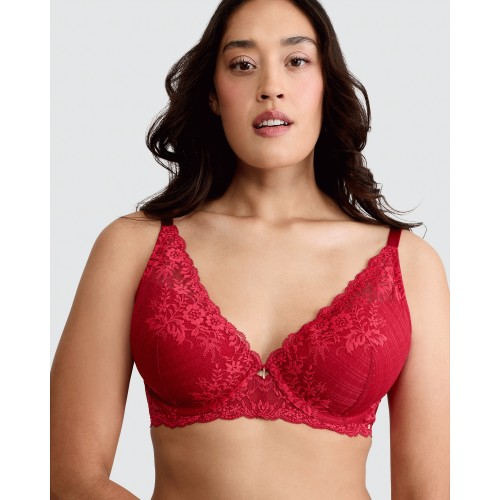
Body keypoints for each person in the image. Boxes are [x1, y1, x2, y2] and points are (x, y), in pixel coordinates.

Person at [50, 0, 450, 498]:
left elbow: (425, 492)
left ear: (326, 85)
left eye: (296, 60)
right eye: (243, 64)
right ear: (213, 95)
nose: (270, 87)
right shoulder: (133, 247)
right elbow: (70, 479)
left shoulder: (408, 264)